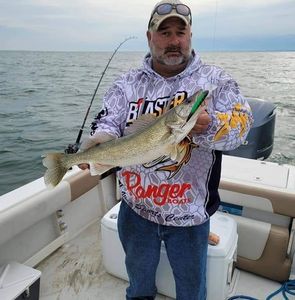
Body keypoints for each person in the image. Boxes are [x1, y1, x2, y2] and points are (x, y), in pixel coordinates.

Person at [79, 0, 253, 299]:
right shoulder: (126, 83)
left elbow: (242, 127)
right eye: (164, 33)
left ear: (190, 36)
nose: (173, 41)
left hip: (190, 216)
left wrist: (210, 125)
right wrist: (102, 139)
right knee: (139, 286)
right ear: (150, 38)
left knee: (191, 291)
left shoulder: (215, 81)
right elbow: (109, 118)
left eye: (180, 32)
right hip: (135, 210)